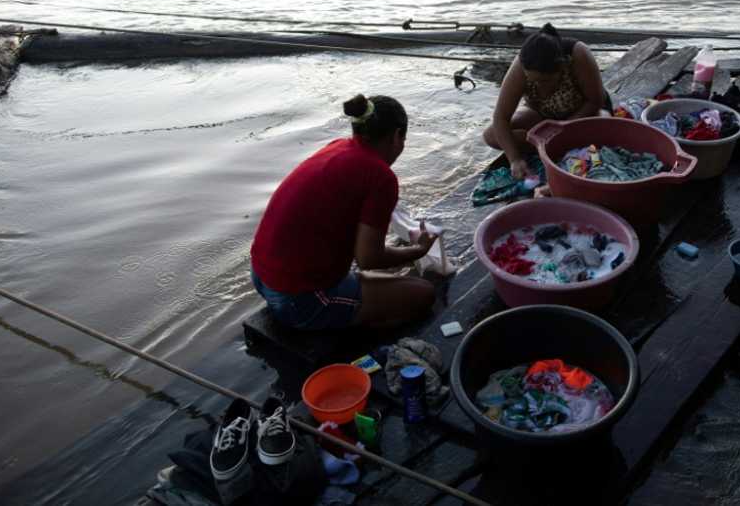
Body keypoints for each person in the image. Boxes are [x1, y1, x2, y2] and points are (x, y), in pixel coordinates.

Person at [250, 94, 437, 330]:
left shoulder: (337, 147)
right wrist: (417, 251)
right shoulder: (381, 176)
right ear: (398, 136)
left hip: (261, 276)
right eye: (404, 139)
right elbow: (368, 259)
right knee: (424, 294)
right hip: (298, 299)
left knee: (383, 280)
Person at [483, 23, 610, 180]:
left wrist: (563, 127)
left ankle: (551, 145)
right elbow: (501, 118)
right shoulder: (522, 65)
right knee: (491, 135)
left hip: (583, 115)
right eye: (533, 80)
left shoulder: (578, 54)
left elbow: (596, 101)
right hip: (544, 116)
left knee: (605, 124)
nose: (539, 85)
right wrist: (515, 159)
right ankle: (549, 145)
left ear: (562, 67)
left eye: (545, 80)